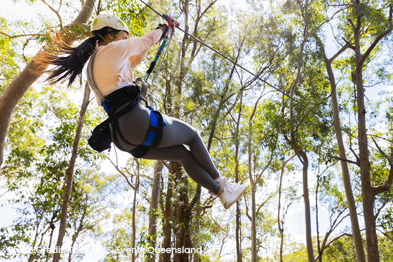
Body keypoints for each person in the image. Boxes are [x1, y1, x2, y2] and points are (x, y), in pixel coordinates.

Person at [42, 14, 247, 209]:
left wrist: (159, 38)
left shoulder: (94, 65)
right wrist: (162, 28)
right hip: (135, 122)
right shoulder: (112, 49)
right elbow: (146, 40)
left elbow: (137, 58)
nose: (126, 40)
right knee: (192, 135)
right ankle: (224, 183)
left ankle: (221, 194)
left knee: (183, 155)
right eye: (124, 36)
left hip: (123, 139)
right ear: (110, 34)